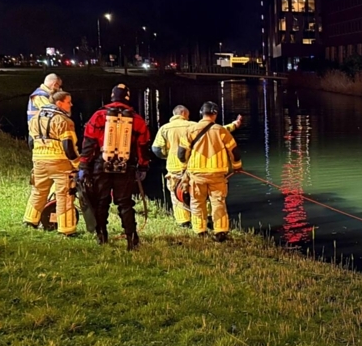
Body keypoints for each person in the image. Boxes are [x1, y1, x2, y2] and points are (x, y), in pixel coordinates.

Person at [79, 84, 151, 250]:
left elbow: (89, 142)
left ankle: (102, 235)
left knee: (101, 201)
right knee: (125, 203)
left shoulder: (99, 115)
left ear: (112, 97)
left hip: (101, 164)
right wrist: (143, 167)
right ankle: (132, 239)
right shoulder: (136, 119)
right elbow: (143, 146)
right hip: (125, 166)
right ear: (127, 97)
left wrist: (84, 165)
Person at [151, 105, 241, 228]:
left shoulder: (164, 129)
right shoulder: (193, 126)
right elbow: (217, 131)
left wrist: (168, 156)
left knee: (177, 194)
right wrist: (235, 124)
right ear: (183, 113)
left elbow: (156, 149)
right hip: (194, 167)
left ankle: (184, 222)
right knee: (204, 197)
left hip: (175, 167)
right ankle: (211, 221)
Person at [177, 101, 242, 242]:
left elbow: (181, 153)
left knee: (197, 202)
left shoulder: (191, 130)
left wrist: (184, 168)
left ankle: (200, 231)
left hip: (196, 174)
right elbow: (234, 151)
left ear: (201, 113)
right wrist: (237, 166)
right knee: (218, 202)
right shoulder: (221, 130)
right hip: (217, 175)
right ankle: (220, 231)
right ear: (215, 114)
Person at [24, 90, 79, 236]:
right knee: (65, 195)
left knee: (38, 191)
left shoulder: (35, 119)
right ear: (59, 103)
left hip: (39, 161)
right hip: (60, 163)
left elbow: (30, 142)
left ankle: (30, 220)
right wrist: (77, 164)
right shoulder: (64, 121)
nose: (71, 104)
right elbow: (69, 147)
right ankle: (66, 229)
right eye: (68, 102)